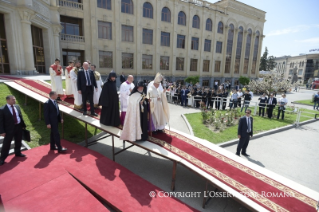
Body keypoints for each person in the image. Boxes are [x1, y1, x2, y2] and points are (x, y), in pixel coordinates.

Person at [0, 95, 27, 166]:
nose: (14, 101)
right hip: (9, 129)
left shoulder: (17, 106)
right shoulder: (2, 109)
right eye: (13, 100)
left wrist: (23, 125)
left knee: (18, 141)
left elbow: (20, 116)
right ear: (7, 100)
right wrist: (2, 131)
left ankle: (18, 153)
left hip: (18, 127)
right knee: (6, 144)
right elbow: (1, 121)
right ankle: (2, 158)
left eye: (14, 99)